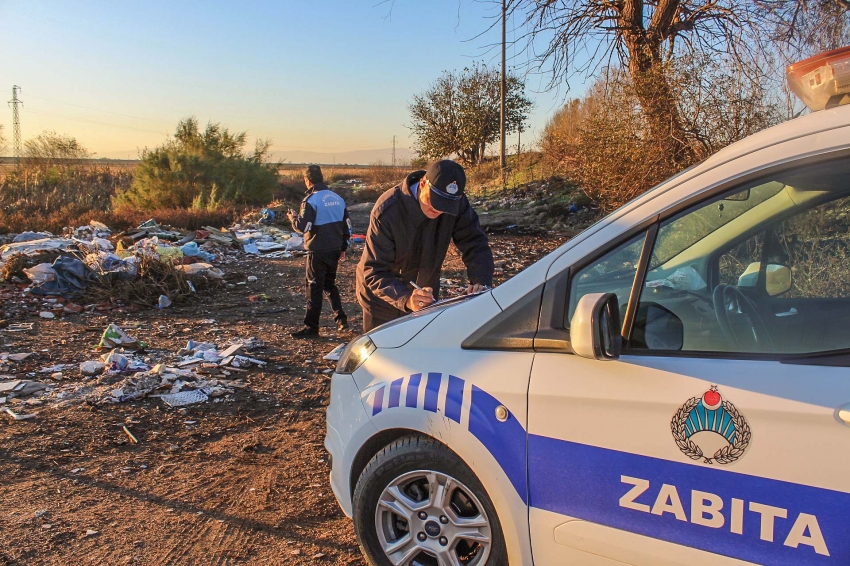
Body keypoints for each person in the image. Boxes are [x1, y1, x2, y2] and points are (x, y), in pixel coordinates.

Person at [356, 159, 494, 331]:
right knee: (382, 355)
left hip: (425, 301)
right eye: (434, 200)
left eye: (446, 206)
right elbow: (373, 271)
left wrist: (480, 281)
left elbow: (475, 242)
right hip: (382, 302)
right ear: (422, 183)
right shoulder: (388, 211)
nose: (438, 209)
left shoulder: (456, 204)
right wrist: (406, 299)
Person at [287, 165, 351, 338]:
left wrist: (293, 218)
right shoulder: (337, 198)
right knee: (330, 285)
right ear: (321, 177)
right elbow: (347, 226)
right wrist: (344, 247)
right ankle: (341, 320)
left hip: (318, 250)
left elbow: (303, 227)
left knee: (313, 288)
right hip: (335, 247)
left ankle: (311, 328)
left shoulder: (310, 201)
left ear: (307, 180)